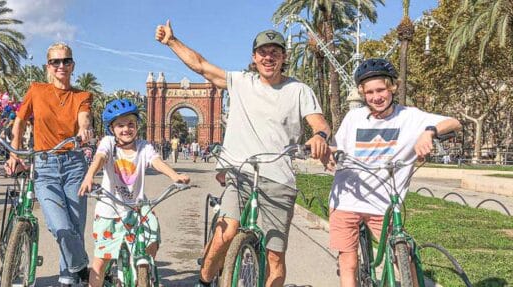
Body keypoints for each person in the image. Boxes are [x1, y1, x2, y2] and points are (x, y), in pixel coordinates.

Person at [156, 22, 331, 287]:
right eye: (263, 52)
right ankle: (203, 281)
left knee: (275, 257)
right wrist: (172, 41)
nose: (268, 57)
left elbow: (319, 123)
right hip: (240, 172)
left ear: (284, 57)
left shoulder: (299, 90)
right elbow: (200, 65)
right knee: (226, 233)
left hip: (278, 178)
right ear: (254, 57)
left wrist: (320, 136)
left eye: (275, 52)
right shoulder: (239, 82)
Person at [327, 58, 461, 287]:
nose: (376, 97)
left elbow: (454, 123)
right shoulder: (354, 117)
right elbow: (337, 148)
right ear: (362, 93)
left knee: (405, 257)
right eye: (369, 92)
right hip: (347, 199)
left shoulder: (410, 116)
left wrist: (429, 132)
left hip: (385, 204)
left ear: (393, 87)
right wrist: (329, 155)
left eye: (381, 89)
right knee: (348, 263)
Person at [5, 42, 93, 286]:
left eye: (65, 61)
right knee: (60, 227)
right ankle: (81, 266)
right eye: (56, 61)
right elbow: (20, 120)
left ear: (73, 65)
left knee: (75, 226)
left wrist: (85, 129)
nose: (61, 66)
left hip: (75, 164)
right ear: (48, 66)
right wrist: (15, 153)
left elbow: (83, 119)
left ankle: (68, 278)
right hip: (45, 165)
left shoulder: (82, 96)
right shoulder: (36, 90)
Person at [78, 99, 190, 286]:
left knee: (152, 235)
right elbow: (100, 157)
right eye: (120, 125)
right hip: (110, 211)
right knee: (100, 262)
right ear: (111, 129)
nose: (126, 129)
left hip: (137, 208)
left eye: (131, 124)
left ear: (137, 125)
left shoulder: (143, 147)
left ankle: (145, 269)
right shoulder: (108, 143)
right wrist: (90, 176)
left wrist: (174, 175)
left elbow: (156, 161)